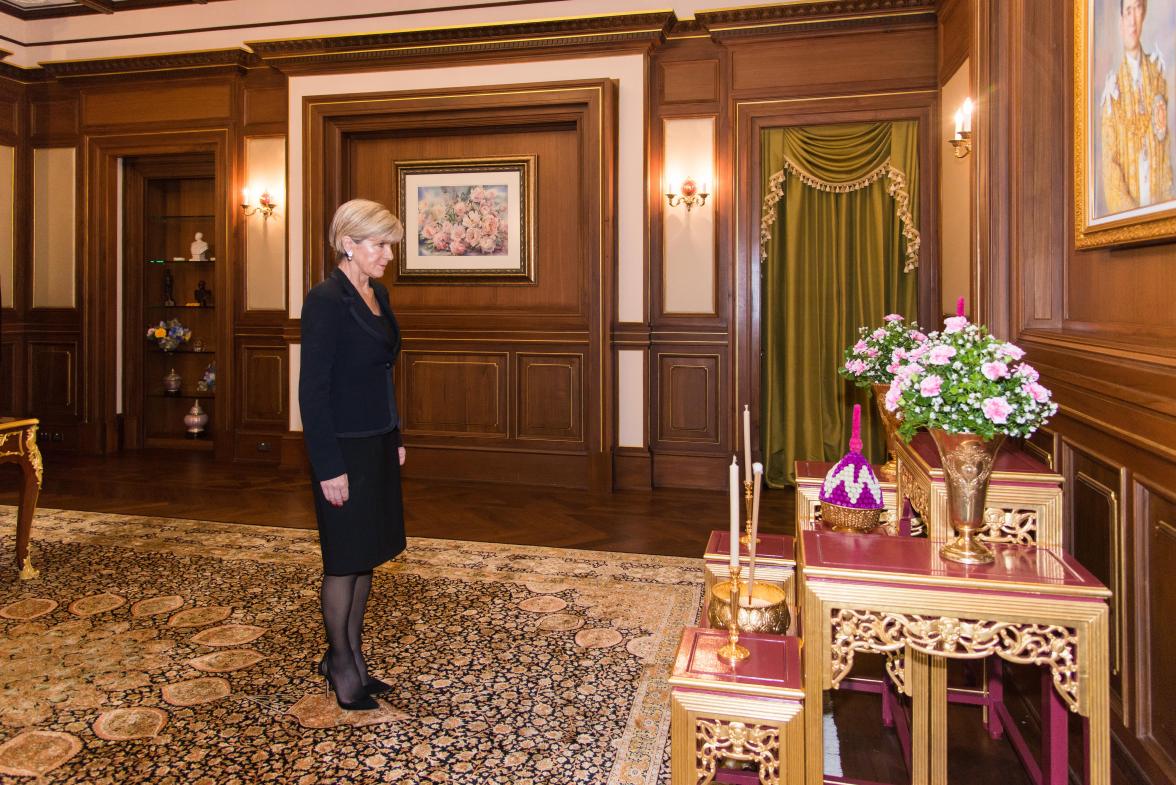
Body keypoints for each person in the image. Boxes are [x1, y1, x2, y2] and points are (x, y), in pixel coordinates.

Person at [298, 198, 406, 711]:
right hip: (341, 448)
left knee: (366, 554)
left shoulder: (377, 293)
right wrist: (328, 466)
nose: (387, 254)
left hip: (377, 441)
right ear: (348, 244)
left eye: (389, 244)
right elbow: (312, 391)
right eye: (379, 244)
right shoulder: (325, 300)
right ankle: (340, 662)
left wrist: (396, 434)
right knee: (343, 560)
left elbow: (382, 370)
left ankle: (354, 654)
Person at [1100, 0, 1173, 213]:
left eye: (1138, 9)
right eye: (1128, 12)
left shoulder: (1158, 77)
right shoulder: (1112, 93)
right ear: (1121, 20)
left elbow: (1165, 151)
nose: (1133, 21)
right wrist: (1133, 218)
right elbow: (1110, 168)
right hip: (1130, 220)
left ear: (1144, 13)